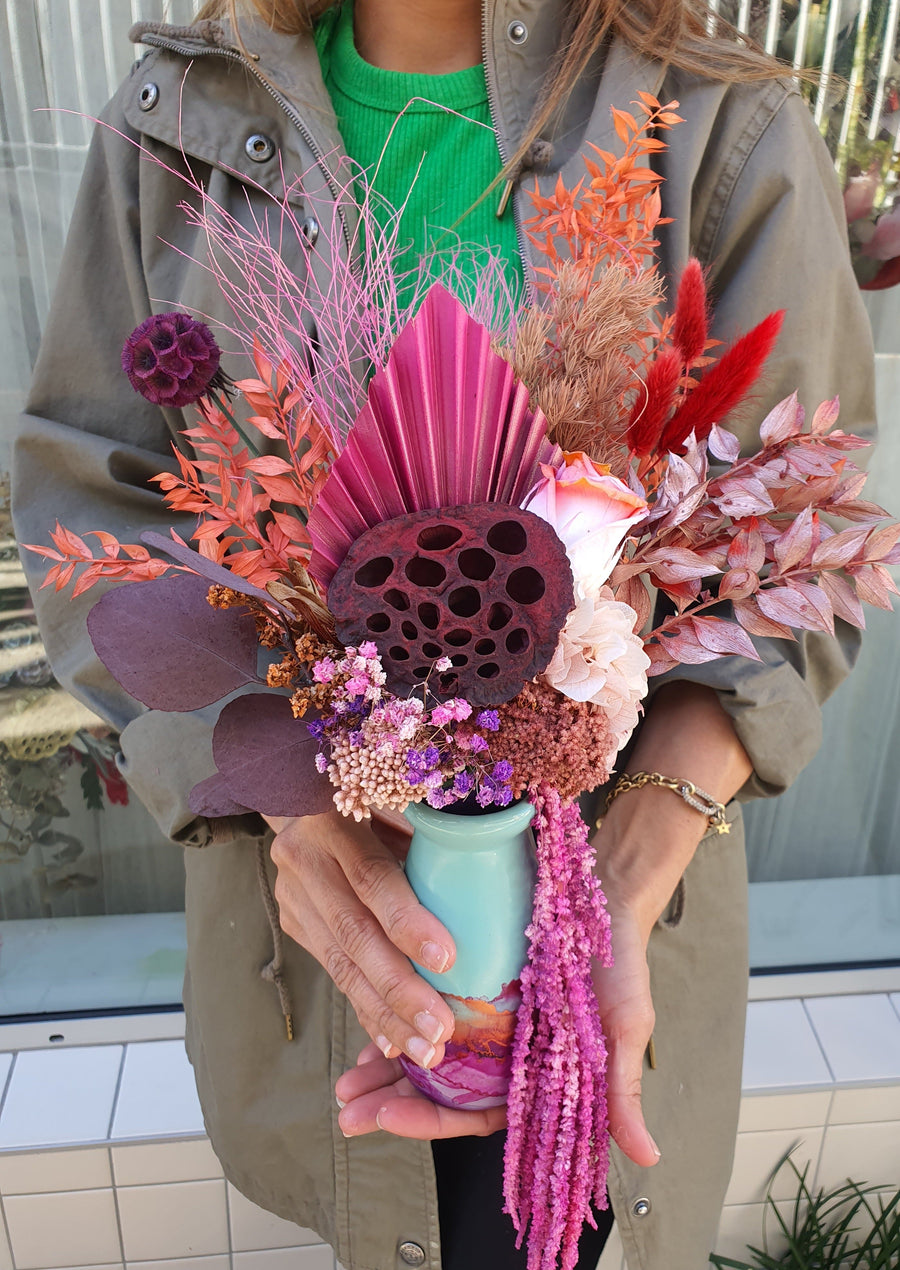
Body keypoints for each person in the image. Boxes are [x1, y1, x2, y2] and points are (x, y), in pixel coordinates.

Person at [12, 1, 875, 1267]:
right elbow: (95, 509)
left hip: (613, 865)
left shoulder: (719, 122)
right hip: (318, 885)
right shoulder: (184, 115)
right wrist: (293, 815)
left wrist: (619, 892)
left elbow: (791, 549)